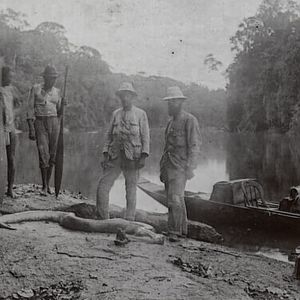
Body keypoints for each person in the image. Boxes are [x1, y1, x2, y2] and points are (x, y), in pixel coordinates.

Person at [96, 82, 150, 221]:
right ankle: (103, 218)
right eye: (122, 96)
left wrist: (144, 156)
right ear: (120, 97)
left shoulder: (140, 114)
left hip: (133, 157)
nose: (125, 98)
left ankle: (129, 220)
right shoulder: (116, 114)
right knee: (103, 185)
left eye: (128, 95)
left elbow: (145, 137)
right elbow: (109, 135)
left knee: (131, 189)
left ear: (132, 97)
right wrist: (105, 153)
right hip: (115, 156)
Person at [160, 86, 201, 242]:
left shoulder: (190, 120)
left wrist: (191, 167)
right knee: (172, 199)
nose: (170, 105)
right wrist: (162, 168)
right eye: (168, 102)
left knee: (176, 198)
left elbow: (195, 145)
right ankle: (177, 230)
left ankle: (176, 232)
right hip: (168, 167)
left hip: (180, 167)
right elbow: (166, 148)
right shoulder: (170, 123)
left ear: (179, 102)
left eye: (172, 102)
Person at [27, 65, 62, 196]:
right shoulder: (36, 89)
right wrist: (31, 127)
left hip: (54, 122)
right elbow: (30, 108)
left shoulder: (57, 92)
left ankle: (48, 184)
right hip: (40, 122)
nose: (52, 81)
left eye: (54, 78)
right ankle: (44, 185)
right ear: (45, 77)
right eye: (50, 78)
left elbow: (59, 112)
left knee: (52, 155)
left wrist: (63, 105)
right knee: (43, 154)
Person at [0, 66, 20, 198]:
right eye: (9, 76)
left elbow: (19, 104)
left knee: (12, 159)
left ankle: (10, 188)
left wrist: (14, 115)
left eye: (12, 76)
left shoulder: (12, 89)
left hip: (11, 128)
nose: (11, 79)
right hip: (1, 129)